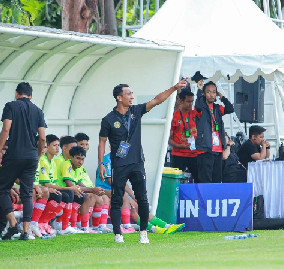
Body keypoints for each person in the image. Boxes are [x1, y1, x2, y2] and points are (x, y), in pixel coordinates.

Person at [98, 80, 188, 243]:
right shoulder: (108, 119)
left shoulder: (136, 111)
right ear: (119, 98)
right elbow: (102, 141)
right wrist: (101, 163)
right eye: (128, 94)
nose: (132, 97)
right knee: (117, 199)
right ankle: (118, 234)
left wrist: (175, 88)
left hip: (137, 162)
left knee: (142, 198)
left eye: (132, 94)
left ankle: (144, 233)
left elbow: (157, 100)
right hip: (119, 164)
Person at [0, 82, 47, 240]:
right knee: (27, 193)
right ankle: (25, 231)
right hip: (31, 156)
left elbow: (6, 129)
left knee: (3, 189)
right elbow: (43, 137)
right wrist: (37, 156)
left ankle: (13, 224)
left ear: (17, 93)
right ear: (30, 96)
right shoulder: (38, 111)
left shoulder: (11, 106)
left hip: (14, 154)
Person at [195, 81, 234, 183]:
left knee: (217, 179)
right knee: (205, 180)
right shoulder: (201, 108)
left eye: (214, 92)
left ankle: (214, 198)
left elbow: (230, 109)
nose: (211, 95)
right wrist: (199, 90)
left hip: (218, 149)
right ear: (204, 94)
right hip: (205, 149)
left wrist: (221, 96)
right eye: (208, 92)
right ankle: (204, 199)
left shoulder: (217, 108)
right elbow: (198, 105)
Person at [169, 91, 201, 182]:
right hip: (178, 154)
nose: (191, 104)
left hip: (194, 154)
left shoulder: (195, 113)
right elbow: (169, 139)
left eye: (192, 101)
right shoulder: (175, 116)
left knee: (199, 179)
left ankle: (198, 196)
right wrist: (180, 146)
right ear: (181, 101)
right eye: (188, 101)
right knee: (175, 181)